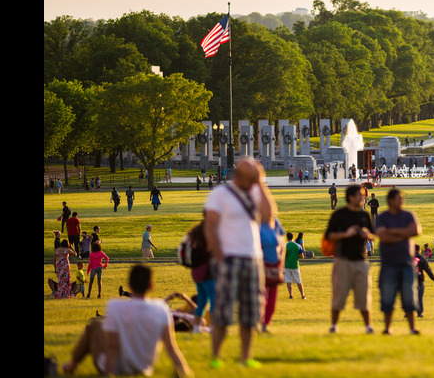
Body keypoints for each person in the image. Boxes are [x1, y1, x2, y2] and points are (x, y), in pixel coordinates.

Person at [60, 264, 194, 378]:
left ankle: (71, 365)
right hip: (144, 367)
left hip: (117, 367)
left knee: (94, 327)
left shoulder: (115, 306)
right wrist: (183, 369)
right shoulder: (161, 309)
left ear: (129, 284)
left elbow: (112, 346)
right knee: (98, 326)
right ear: (152, 285)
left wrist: (108, 373)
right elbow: (171, 348)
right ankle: (71, 365)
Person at [203, 157, 275, 369]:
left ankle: (246, 357)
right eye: (250, 177)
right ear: (240, 175)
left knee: (251, 313)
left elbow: (269, 216)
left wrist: (260, 183)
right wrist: (218, 256)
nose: (252, 180)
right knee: (223, 311)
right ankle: (216, 356)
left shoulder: (255, 192)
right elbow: (210, 227)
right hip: (229, 258)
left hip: (253, 258)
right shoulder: (220, 194)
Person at [324, 184, 376, 334]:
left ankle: (368, 326)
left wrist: (367, 234)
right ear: (351, 197)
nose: (363, 198)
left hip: (361, 261)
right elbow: (329, 236)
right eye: (360, 195)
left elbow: (373, 235)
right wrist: (346, 234)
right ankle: (334, 326)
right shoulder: (339, 215)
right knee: (339, 296)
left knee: (364, 296)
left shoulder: (364, 215)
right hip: (343, 261)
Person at [374, 188, 422, 334]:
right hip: (389, 264)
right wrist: (405, 234)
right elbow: (384, 237)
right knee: (387, 298)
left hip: (407, 264)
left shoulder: (408, 215)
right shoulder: (382, 217)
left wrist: (393, 231)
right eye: (399, 199)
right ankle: (388, 328)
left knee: (409, 297)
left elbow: (416, 231)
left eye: (402, 199)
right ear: (390, 200)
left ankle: (413, 328)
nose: (402, 202)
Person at [259, 215, 286, 333]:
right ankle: (257, 321)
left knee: (272, 297)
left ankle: (265, 323)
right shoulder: (253, 221)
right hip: (259, 265)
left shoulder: (274, 221)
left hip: (274, 264)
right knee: (260, 295)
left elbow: (282, 243)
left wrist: (281, 263)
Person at [413, 244, 434, 318]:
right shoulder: (422, 259)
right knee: (419, 297)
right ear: (419, 250)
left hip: (410, 280)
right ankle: (419, 313)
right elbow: (428, 270)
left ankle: (408, 311)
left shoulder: (408, 258)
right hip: (420, 280)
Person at [283, 232, 306, 300]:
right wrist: (296, 256)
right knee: (299, 281)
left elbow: (282, 256)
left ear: (287, 238)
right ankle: (302, 295)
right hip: (295, 265)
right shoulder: (297, 246)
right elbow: (302, 256)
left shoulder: (285, 246)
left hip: (287, 265)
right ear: (293, 237)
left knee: (288, 281)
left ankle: (291, 295)